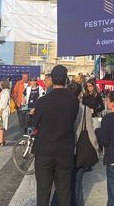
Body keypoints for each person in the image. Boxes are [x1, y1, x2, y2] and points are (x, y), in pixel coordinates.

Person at [33, 65, 79, 206]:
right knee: (64, 193)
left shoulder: (43, 101)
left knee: (43, 191)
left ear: (52, 79)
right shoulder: (74, 101)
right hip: (64, 150)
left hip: (44, 150)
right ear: (66, 80)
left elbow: (36, 123)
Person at [82, 78, 103, 152]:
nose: (89, 88)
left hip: (94, 117)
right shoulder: (85, 95)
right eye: (87, 86)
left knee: (95, 133)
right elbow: (82, 105)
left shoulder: (97, 95)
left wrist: (94, 110)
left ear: (93, 86)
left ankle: (96, 148)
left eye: (90, 86)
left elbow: (102, 107)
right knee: (87, 133)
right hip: (86, 117)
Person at [0, 80, 11, 146]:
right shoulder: (4, 91)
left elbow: (3, 103)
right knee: (2, 126)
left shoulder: (5, 92)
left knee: (0, 126)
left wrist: (0, 112)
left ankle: (0, 141)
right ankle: (3, 140)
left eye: (0, 84)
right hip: (3, 111)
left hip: (2, 111)